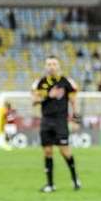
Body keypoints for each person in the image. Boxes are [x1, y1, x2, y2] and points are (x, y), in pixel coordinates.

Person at [32, 56, 81, 192]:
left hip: (61, 121)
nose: (51, 66)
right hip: (46, 121)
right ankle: (50, 184)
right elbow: (34, 100)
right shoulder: (40, 83)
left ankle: (75, 179)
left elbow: (74, 101)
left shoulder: (66, 82)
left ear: (58, 66)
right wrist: (48, 95)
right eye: (49, 64)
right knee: (47, 152)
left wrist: (76, 119)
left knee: (65, 151)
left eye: (54, 64)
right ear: (45, 67)